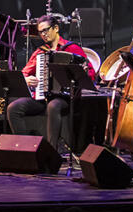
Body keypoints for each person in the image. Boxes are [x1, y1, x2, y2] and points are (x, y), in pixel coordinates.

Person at [6, 14, 96, 153]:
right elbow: (24, 73)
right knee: (13, 108)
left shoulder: (72, 48)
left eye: (46, 30)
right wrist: (27, 80)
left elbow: (90, 73)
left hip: (67, 98)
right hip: (43, 97)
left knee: (53, 106)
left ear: (56, 28)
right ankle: (26, 150)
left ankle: (51, 153)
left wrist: (79, 75)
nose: (43, 34)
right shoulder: (40, 52)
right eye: (41, 32)